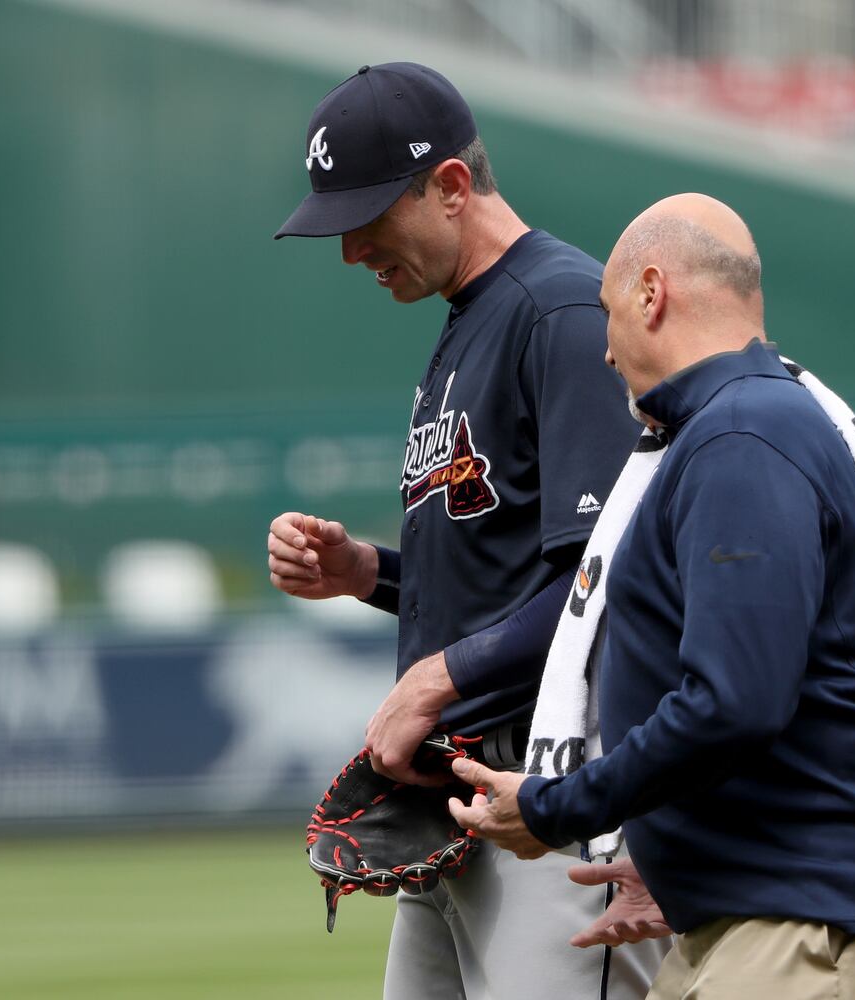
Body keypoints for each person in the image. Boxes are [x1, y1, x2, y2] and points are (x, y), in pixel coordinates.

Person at [451, 193, 855, 1000]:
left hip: (810, 920)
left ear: (652, 294)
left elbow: (735, 701)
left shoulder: (740, 435)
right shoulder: (740, 424)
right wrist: (676, 854)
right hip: (772, 908)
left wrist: (557, 808)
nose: (607, 352)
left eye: (608, 315)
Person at [268, 62, 668, 999]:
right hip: (460, 800)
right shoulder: (469, 316)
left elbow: (602, 584)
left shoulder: (562, 312)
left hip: (555, 790)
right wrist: (368, 573)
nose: (349, 249)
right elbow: (505, 579)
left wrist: (438, 679)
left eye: (367, 216)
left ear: (450, 186)